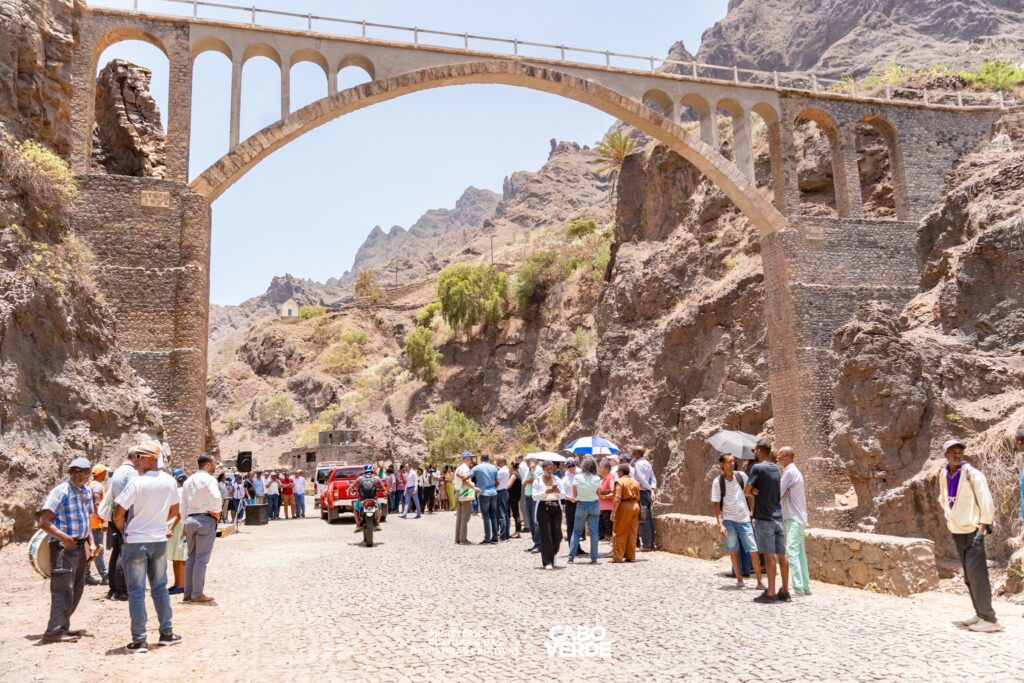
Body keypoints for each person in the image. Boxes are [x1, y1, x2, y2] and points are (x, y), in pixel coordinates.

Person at [113, 440, 182, 652]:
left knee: (136, 591)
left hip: (136, 541)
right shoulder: (169, 481)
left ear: (152, 459)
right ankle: (166, 633)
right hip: (158, 540)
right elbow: (175, 510)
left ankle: (139, 639)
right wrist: (159, 522)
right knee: (160, 587)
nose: (135, 461)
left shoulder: (137, 483)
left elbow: (118, 513)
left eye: (139, 457)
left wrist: (126, 531)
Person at [939, 438, 1002, 632]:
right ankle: (980, 613)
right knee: (968, 576)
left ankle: (990, 619)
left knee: (978, 574)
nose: (957, 454)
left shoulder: (972, 474)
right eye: (953, 451)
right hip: (957, 529)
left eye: (960, 451)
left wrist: (984, 524)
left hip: (974, 530)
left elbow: (986, 500)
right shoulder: (943, 474)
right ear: (946, 454)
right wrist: (949, 518)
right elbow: (943, 498)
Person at [37, 456, 97, 643]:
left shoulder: (85, 491)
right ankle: (54, 632)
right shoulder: (60, 492)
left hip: (79, 547)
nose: (77, 474)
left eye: (81, 471)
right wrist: (66, 538)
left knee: (76, 588)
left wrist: (91, 542)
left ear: (88, 473)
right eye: (73, 471)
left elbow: (86, 521)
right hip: (63, 547)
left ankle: (63, 626)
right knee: (62, 589)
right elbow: (44, 522)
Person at [745, 440, 789, 604]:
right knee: (782, 555)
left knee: (769, 555)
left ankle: (770, 592)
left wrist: (754, 492)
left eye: (754, 451)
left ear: (758, 451)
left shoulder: (757, 468)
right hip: (778, 516)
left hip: (764, 517)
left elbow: (747, 490)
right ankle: (784, 591)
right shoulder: (777, 469)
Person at [711, 454, 763, 590]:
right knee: (733, 551)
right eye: (729, 461)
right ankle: (739, 580)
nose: (732, 464)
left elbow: (749, 493)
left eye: (733, 461)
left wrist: (752, 511)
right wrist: (720, 524)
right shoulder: (718, 482)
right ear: (722, 464)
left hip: (744, 519)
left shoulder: (741, 476)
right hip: (729, 520)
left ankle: (759, 582)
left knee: (753, 550)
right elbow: (716, 505)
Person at [182, 453, 221, 606]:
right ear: (208, 464)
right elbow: (216, 497)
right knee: (201, 559)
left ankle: (188, 593)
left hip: (190, 519)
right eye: (214, 462)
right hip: (205, 519)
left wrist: (185, 521)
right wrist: (216, 513)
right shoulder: (210, 479)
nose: (215, 465)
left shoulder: (188, 480)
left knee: (191, 557)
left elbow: (183, 503)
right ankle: (197, 593)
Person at [105, 454, 139, 601]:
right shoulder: (131, 472)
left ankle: (113, 587)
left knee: (116, 552)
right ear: (136, 457)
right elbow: (133, 494)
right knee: (123, 553)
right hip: (124, 514)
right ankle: (122, 590)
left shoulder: (118, 470)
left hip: (116, 512)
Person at [778, 447, 810, 596]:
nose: (777, 457)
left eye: (779, 454)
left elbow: (778, 492)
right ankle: (805, 586)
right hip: (799, 518)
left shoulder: (789, 472)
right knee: (800, 553)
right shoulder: (795, 471)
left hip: (793, 517)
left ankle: (798, 588)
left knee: (791, 551)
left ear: (785, 456)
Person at [533, 461, 567, 569]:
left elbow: (563, 495)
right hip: (543, 508)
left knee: (557, 534)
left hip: (555, 507)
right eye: (547, 469)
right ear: (543, 469)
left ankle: (552, 552)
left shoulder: (557, 479)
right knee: (546, 534)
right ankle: (547, 561)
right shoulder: (538, 480)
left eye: (551, 469)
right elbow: (534, 496)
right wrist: (545, 492)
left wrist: (556, 491)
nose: (549, 471)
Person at [568, 458, 602, 564]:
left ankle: (571, 557)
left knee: (576, 532)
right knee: (594, 533)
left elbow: (574, 495)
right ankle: (594, 558)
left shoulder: (577, 477)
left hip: (581, 505)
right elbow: (599, 494)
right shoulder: (596, 478)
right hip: (594, 505)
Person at [611, 464, 640, 563]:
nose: (617, 473)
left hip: (624, 506)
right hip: (635, 505)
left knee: (619, 531)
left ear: (621, 472)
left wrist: (614, 512)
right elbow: (638, 496)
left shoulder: (619, 481)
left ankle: (617, 557)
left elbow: (618, 497)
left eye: (617, 471)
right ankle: (631, 556)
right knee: (632, 532)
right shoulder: (635, 482)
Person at [165, 469, 188, 595]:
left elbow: (179, 512)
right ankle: (180, 583)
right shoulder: (187, 491)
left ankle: (180, 584)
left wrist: (170, 527)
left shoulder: (179, 492)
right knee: (180, 557)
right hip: (183, 524)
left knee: (177, 557)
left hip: (177, 525)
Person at [85, 464, 109, 586]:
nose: (106, 475)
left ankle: (86, 576)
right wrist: (104, 521)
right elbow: (98, 505)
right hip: (95, 524)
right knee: (98, 551)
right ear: (100, 474)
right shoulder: (97, 487)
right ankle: (105, 576)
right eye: (105, 472)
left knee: (89, 551)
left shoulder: (91, 485)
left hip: (90, 524)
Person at [633, 447, 658, 551]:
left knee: (644, 518)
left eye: (633, 451)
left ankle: (646, 545)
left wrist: (650, 489)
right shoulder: (648, 463)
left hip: (642, 492)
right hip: (647, 493)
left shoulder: (638, 464)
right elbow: (653, 479)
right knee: (648, 517)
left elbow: (642, 480)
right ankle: (651, 543)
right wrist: (652, 489)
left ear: (636, 453)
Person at [472, 454, 500, 544]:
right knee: (493, 516)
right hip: (493, 493)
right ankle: (495, 537)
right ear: (488, 459)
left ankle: (487, 538)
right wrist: (493, 488)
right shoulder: (493, 467)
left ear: (481, 458)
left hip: (483, 493)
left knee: (486, 517)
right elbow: (497, 481)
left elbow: (469, 475)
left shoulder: (477, 468)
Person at [453, 453, 479, 544]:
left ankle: (458, 538)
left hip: (458, 491)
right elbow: (465, 481)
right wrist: (474, 488)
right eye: (470, 458)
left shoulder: (459, 468)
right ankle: (463, 538)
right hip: (465, 491)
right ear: (466, 459)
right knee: (465, 517)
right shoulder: (465, 468)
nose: (472, 460)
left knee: (460, 517)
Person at [349, 465, 382, 532]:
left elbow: (352, 486)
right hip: (374, 500)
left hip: (362, 500)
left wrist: (349, 489)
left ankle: (358, 525)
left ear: (365, 471)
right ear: (372, 470)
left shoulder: (360, 478)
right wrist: (382, 490)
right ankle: (378, 524)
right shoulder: (377, 478)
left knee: (355, 509)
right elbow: (382, 487)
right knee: (379, 507)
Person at [520, 456, 538, 551]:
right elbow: (524, 483)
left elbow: (534, 480)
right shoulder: (528, 469)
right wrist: (527, 481)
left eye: (528, 461)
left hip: (534, 497)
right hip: (527, 496)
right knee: (530, 521)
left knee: (535, 521)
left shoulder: (538, 469)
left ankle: (538, 544)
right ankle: (535, 543)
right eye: (526, 461)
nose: (527, 462)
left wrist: (531, 471)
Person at [597, 459, 615, 541]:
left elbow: (612, 490)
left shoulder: (610, 478)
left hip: (608, 508)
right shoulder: (604, 478)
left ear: (606, 469)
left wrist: (601, 493)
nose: (599, 469)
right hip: (603, 507)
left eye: (600, 467)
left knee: (610, 531)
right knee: (606, 532)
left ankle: (614, 550)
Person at [561, 460, 578, 549]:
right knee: (571, 525)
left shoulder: (578, 476)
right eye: (569, 466)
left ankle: (577, 546)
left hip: (578, 502)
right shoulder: (565, 479)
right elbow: (562, 492)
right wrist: (570, 498)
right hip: (570, 502)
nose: (572, 468)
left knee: (578, 525)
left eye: (573, 465)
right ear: (567, 468)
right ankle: (572, 547)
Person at [495, 457, 511, 541]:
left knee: (502, 514)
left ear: (501, 461)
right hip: (504, 491)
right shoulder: (505, 469)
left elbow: (496, 481)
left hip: (500, 492)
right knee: (505, 513)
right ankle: (506, 534)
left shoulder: (502, 471)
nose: (496, 462)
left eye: (497, 461)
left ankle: (503, 535)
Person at [507, 458, 522, 538]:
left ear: (512, 466)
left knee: (515, 514)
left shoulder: (513, 474)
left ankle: (517, 531)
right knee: (516, 514)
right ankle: (517, 531)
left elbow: (508, 485)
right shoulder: (517, 473)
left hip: (512, 497)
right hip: (515, 497)